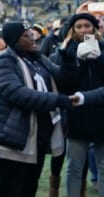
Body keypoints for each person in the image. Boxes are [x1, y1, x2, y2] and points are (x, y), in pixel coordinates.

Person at [0, 21, 75, 197]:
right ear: (15, 40)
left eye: (32, 34)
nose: (34, 37)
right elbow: (16, 93)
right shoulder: (6, 60)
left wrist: (68, 59)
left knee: (29, 188)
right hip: (13, 136)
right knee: (11, 190)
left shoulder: (38, 58)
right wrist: (57, 100)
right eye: (27, 35)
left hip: (36, 137)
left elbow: (63, 79)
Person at [55, 12, 104, 197]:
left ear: (94, 28)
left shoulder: (103, 48)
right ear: (73, 30)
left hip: (101, 114)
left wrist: (98, 59)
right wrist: (70, 59)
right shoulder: (67, 51)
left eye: (87, 26)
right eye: (79, 27)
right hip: (77, 115)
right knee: (74, 166)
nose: (84, 30)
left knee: (103, 165)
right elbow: (64, 84)